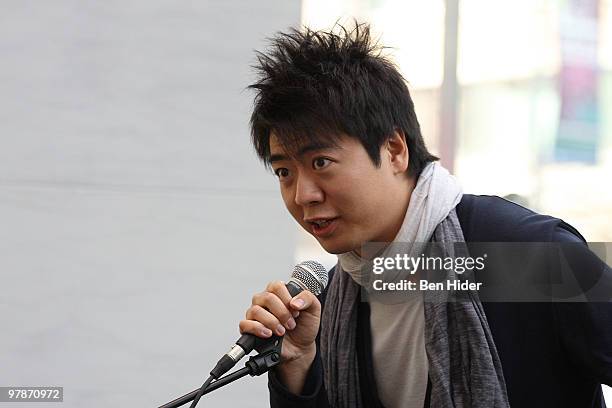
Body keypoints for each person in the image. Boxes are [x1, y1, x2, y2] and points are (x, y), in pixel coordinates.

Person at [238, 23, 612, 408]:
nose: (303, 195)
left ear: (395, 149)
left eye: (321, 162)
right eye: (285, 171)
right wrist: (299, 364)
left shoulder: (526, 256)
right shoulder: (333, 298)